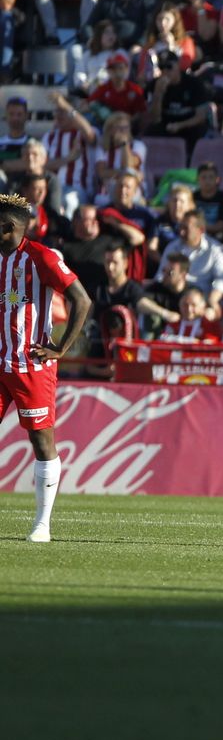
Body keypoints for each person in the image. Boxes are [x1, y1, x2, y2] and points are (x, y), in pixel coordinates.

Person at [0, 192, 92, 543]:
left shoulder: (42, 257)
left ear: (8, 227)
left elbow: (81, 299)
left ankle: (42, 525)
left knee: (41, 440)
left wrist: (61, 348)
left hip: (30, 365)